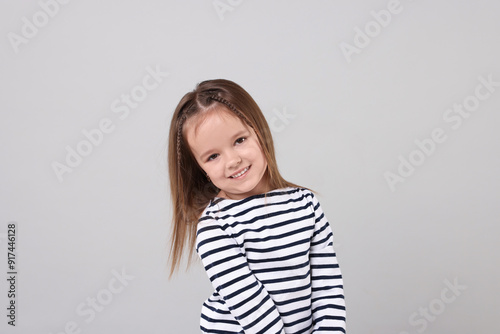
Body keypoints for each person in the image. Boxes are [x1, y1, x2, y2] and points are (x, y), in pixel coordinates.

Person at [167, 79, 346, 333]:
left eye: (239, 140)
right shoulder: (215, 227)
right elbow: (252, 309)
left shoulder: (306, 204)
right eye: (213, 156)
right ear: (201, 169)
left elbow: (327, 286)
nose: (233, 160)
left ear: (259, 132)